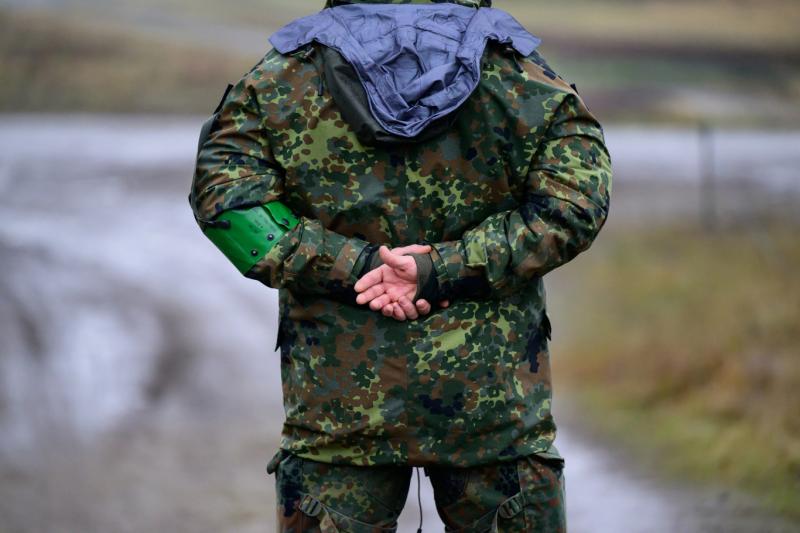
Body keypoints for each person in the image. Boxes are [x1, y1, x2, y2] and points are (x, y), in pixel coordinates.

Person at [188, 0, 612, 531]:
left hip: (338, 410)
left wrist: (354, 266)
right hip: (493, 409)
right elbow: (574, 204)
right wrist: (443, 267)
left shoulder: (281, 77)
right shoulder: (522, 77)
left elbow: (226, 199)